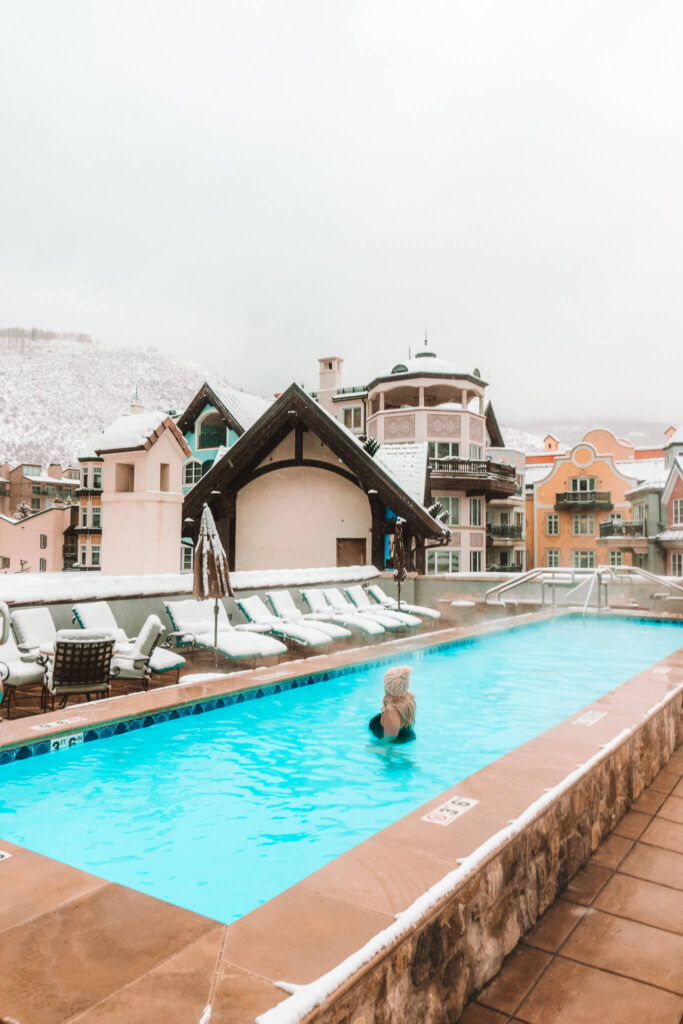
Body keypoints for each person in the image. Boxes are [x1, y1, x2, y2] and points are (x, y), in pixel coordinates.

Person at [368, 665, 416, 743]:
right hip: (406, 736)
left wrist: (373, 747)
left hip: (391, 743)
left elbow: (389, 740)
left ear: (388, 686)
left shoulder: (391, 711)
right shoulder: (407, 697)